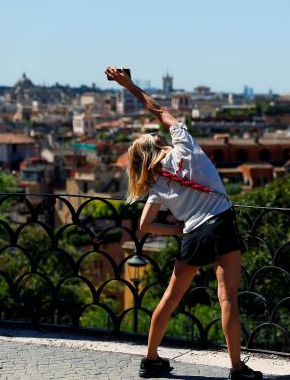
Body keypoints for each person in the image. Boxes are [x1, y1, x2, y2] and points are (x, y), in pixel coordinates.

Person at [105, 66, 262, 380]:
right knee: (227, 298)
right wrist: (130, 85)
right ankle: (236, 369)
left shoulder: (156, 184)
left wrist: (178, 229)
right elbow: (158, 109)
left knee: (170, 297)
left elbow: (145, 225)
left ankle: (150, 360)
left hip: (193, 234)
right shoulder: (185, 146)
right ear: (158, 145)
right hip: (220, 223)